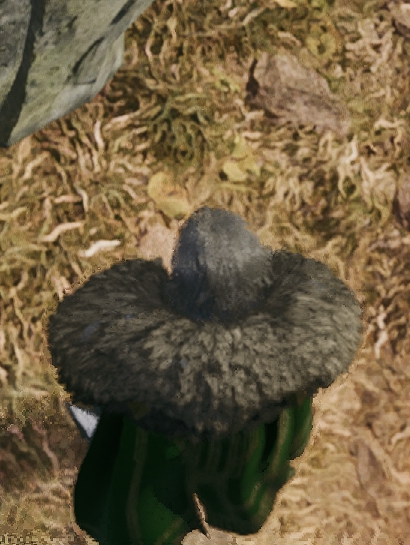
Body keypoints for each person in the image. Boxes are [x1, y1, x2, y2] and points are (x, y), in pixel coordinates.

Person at [48, 207, 363, 545]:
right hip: (228, 468)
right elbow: (293, 438)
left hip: (163, 472)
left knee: (147, 498)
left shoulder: (145, 367)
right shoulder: (291, 360)